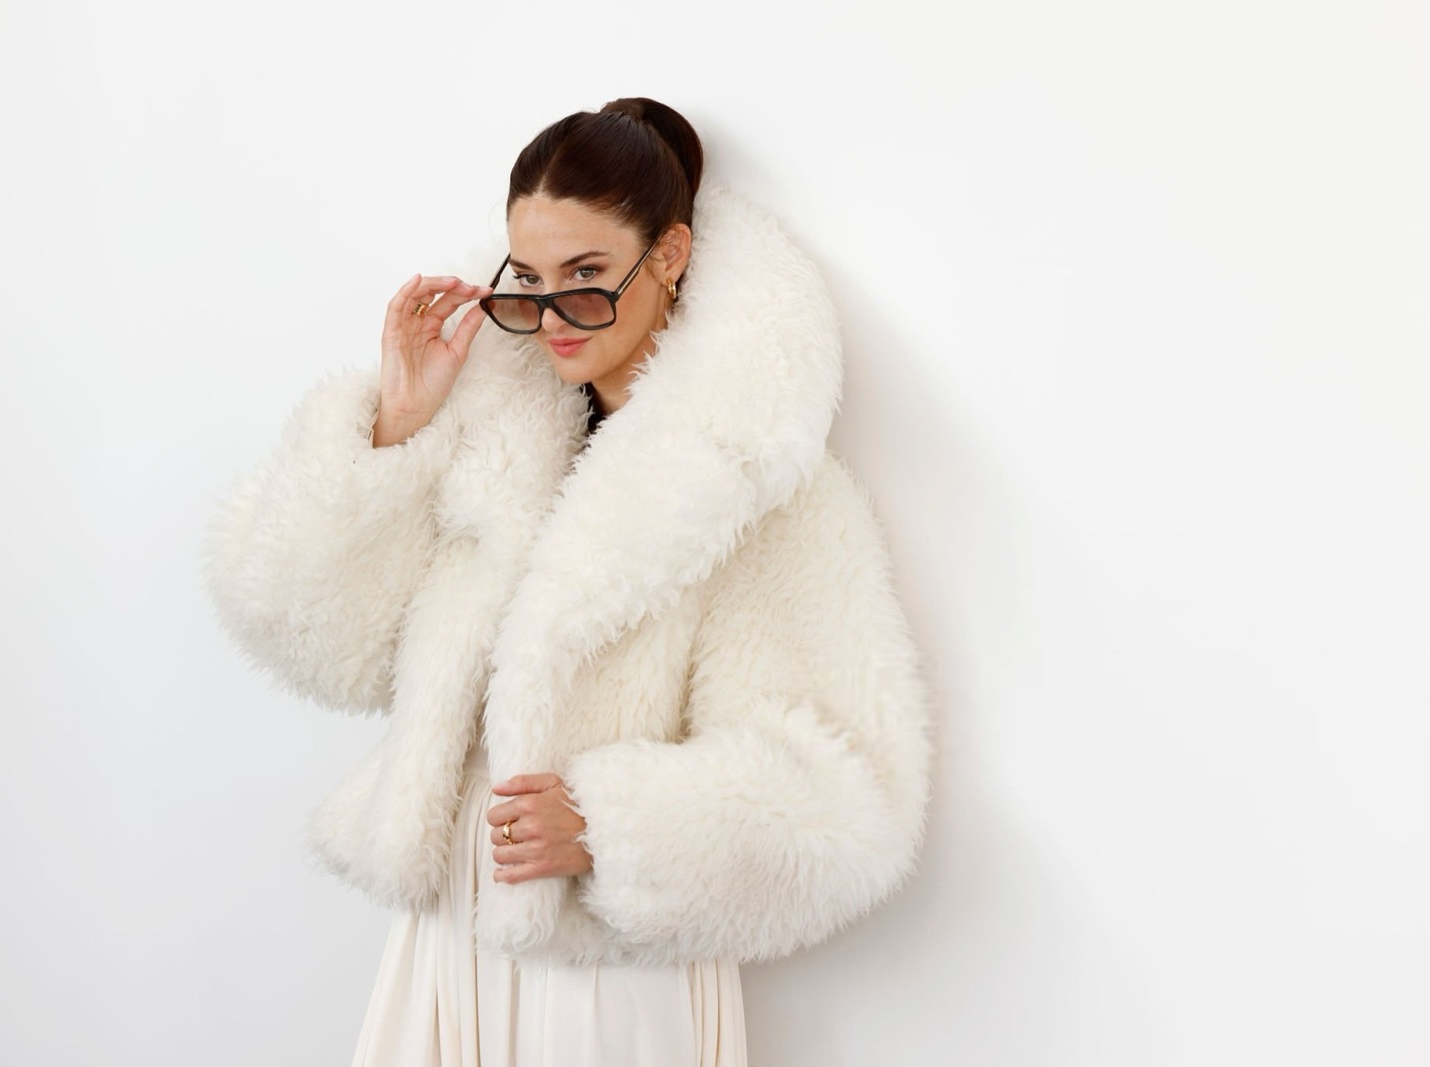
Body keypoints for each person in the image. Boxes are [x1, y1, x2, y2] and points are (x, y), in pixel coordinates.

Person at [203, 97, 932, 1067]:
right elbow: (309, 635)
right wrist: (398, 426)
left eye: (587, 277)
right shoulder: (492, 442)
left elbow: (849, 797)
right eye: (531, 282)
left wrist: (609, 823)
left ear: (668, 256)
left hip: (607, 967)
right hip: (448, 934)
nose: (551, 318)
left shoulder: (756, 487)